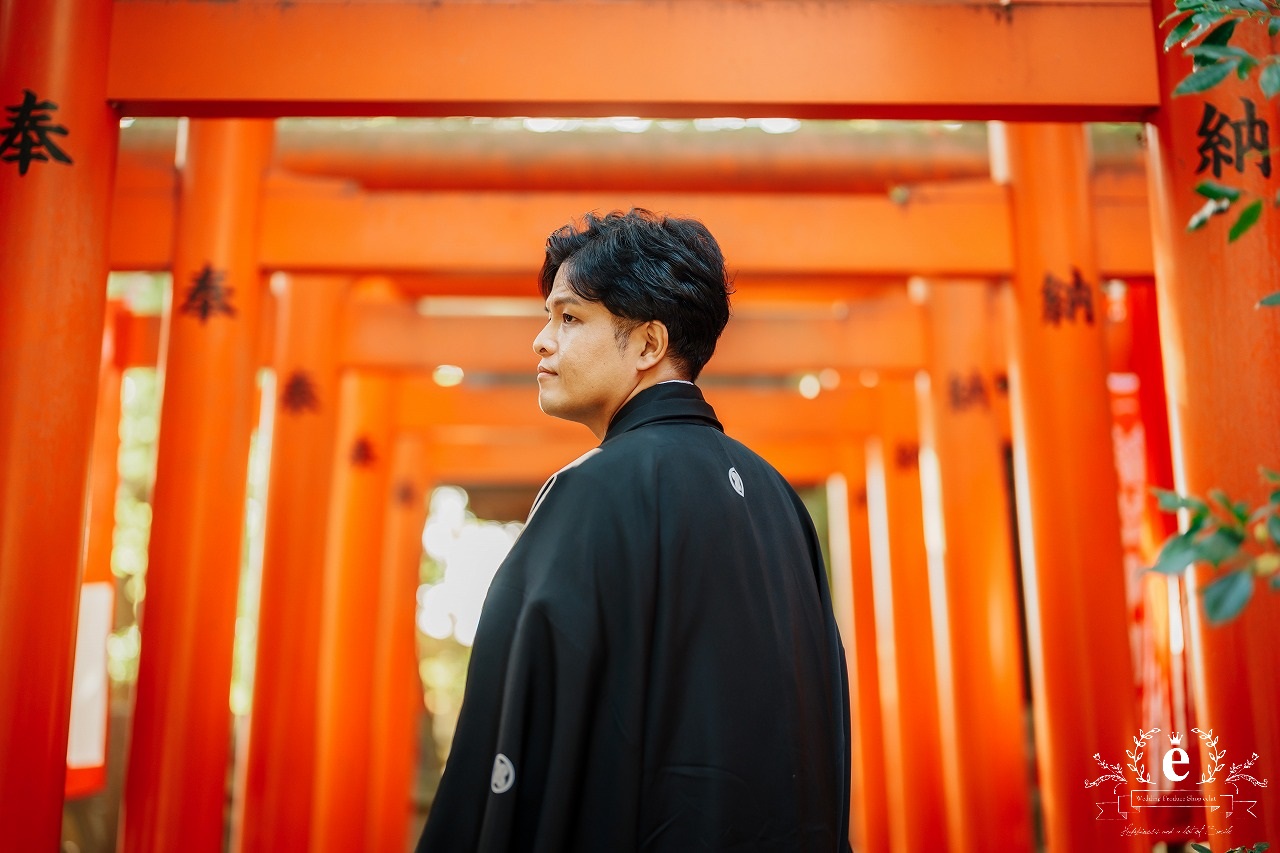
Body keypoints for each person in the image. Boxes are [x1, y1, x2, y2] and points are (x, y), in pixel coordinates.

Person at [416, 209, 851, 852]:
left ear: (648, 344)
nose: (541, 341)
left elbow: (521, 709)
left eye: (569, 318)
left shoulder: (594, 488)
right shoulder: (778, 499)